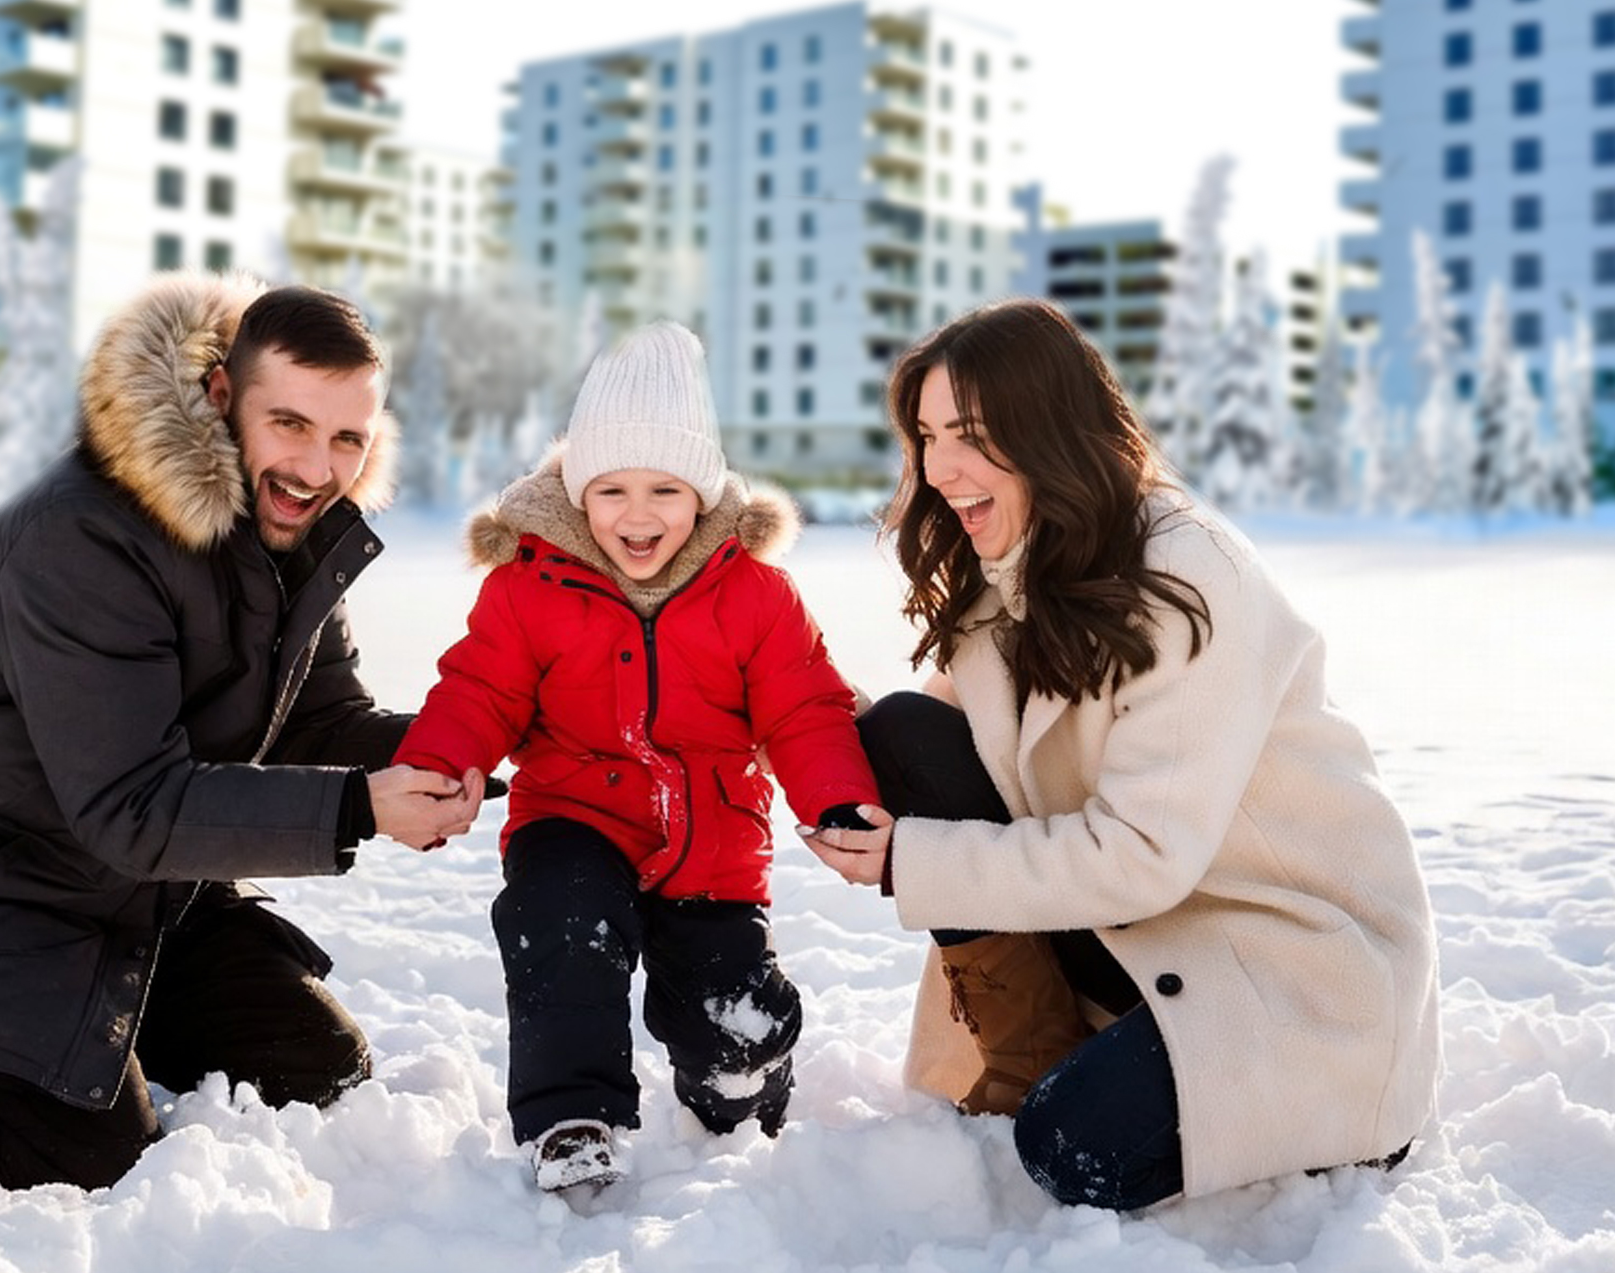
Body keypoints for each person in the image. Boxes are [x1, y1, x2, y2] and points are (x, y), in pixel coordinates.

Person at [0, 274, 483, 1191]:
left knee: (316, 1071)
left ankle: (100, 1029)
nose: (317, 468)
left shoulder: (292, 530)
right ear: (223, 397)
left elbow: (322, 720)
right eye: (292, 425)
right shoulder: (82, 535)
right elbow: (131, 806)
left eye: (347, 436)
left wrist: (482, 731)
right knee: (81, 1161)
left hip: (128, 892)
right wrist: (359, 807)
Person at [803, 298, 1440, 1211]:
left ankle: (1318, 1110)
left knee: (1074, 1148)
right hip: (1153, 923)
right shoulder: (1017, 569)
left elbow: (1141, 854)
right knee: (901, 733)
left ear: (1051, 430)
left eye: (972, 435)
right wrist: (809, 717)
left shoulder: (1189, 576)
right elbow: (954, 748)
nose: (939, 468)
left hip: (1286, 961)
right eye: (929, 434)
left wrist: (915, 859)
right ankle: (1036, 1049)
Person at [392, 322, 878, 1195]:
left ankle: (743, 1081)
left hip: (714, 848)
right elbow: (478, 690)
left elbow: (806, 707)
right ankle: (571, 1116)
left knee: (731, 1026)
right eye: (611, 488)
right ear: (578, 493)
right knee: (560, 931)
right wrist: (439, 764)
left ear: (703, 491)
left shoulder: (755, 593)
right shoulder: (531, 584)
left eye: (665, 487)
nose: (638, 514)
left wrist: (837, 801)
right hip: (574, 819)